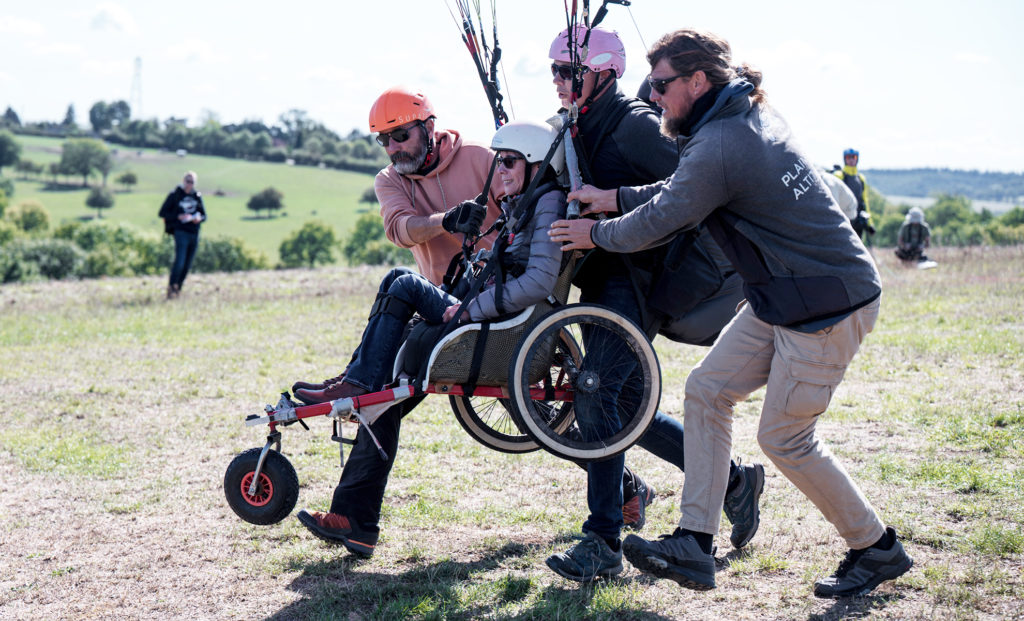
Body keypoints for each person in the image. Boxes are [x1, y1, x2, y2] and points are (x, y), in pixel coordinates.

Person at [552, 28, 912, 597]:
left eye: (663, 84)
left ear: (698, 81)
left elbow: (663, 217)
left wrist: (594, 231)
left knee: (786, 438)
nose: (653, 95)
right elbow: (683, 187)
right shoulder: (737, 118)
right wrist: (615, 197)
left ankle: (876, 548)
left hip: (825, 303)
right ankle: (695, 544)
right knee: (708, 391)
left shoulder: (721, 142)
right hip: (785, 294)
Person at [289, 88, 652, 555]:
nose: (394, 147)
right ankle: (355, 513)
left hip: (487, 314)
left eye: (401, 134)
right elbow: (401, 228)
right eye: (385, 140)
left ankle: (355, 485)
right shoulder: (391, 180)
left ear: (428, 127)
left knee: (528, 412)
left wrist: (488, 269)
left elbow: (530, 219)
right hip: (454, 307)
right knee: (388, 394)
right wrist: (447, 221)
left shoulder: (488, 160)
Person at [542, 26, 764, 583]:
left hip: (637, 281)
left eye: (569, 72)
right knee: (628, 409)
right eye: (555, 73)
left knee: (596, 393)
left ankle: (602, 540)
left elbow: (692, 184)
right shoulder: (581, 123)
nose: (560, 82)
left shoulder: (635, 125)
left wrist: (611, 214)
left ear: (604, 73)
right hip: (603, 276)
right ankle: (735, 482)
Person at [158, 171, 205, 299]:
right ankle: (171, 288)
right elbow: (162, 213)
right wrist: (178, 216)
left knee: (187, 264)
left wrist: (198, 218)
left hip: (194, 232)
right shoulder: (175, 195)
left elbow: (204, 215)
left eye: (192, 182)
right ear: (183, 181)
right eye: (187, 181)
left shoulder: (197, 196)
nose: (189, 184)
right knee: (179, 262)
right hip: (180, 232)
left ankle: (177, 289)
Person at [835, 148, 874, 240]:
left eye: (854, 157)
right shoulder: (839, 175)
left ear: (857, 159)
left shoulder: (861, 179)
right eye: (848, 157)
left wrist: (869, 223)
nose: (851, 159)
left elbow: (865, 201)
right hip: (843, 218)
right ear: (845, 159)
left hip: (858, 220)